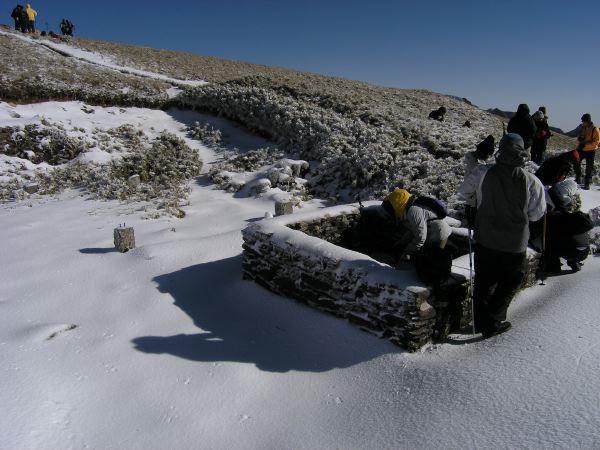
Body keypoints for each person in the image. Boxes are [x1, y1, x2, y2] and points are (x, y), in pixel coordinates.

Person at [464, 133, 546, 338]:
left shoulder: (483, 172)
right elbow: (536, 214)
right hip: (514, 242)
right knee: (510, 282)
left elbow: (465, 193)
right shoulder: (531, 181)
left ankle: (481, 318)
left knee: (483, 280)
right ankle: (493, 321)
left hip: (485, 237)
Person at [381, 188, 452, 285]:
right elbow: (412, 231)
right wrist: (402, 242)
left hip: (438, 236)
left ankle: (434, 287)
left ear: (396, 204)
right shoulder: (409, 210)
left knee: (433, 264)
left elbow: (420, 237)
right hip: (433, 234)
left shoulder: (413, 211)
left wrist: (406, 252)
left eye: (391, 208)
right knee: (425, 259)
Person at [544, 179, 593, 273]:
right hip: (585, 251)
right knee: (569, 239)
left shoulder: (557, 216)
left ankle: (554, 265)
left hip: (570, 250)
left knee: (551, 238)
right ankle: (574, 262)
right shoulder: (575, 217)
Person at [575, 113, 600, 190]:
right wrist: (580, 139)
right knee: (576, 162)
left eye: (583, 121)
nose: (582, 122)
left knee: (589, 168)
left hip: (590, 151)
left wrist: (585, 145)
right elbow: (581, 136)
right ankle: (578, 178)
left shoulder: (595, 129)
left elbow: (596, 142)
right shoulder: (584, 128)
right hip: (582, 149)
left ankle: (587, 184)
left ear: (587, 121)